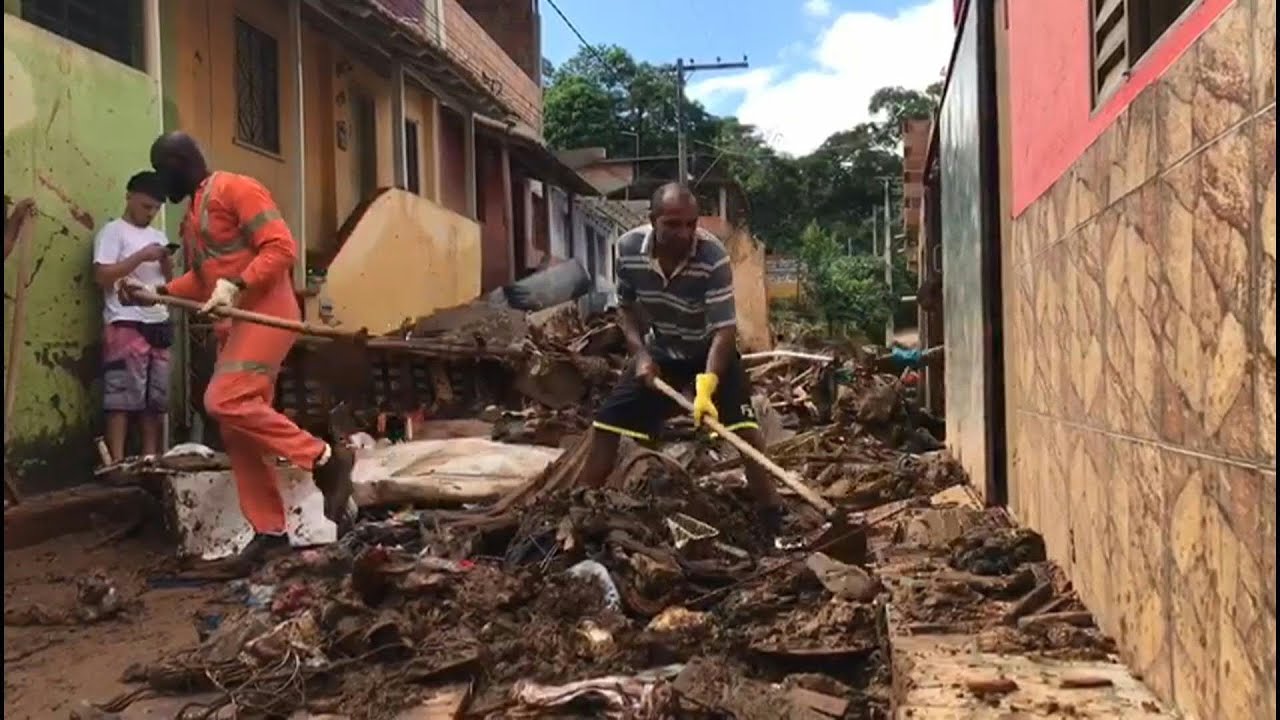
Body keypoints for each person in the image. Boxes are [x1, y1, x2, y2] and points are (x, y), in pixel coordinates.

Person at [118, 132, 354, 566]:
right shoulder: (193, 215)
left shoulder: (236, 188)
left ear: (177, 162)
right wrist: (156, 291)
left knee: (222, 400)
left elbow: (281, 247)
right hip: (237, 323)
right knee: (238, 430)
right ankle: (270, 531)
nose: (160, 184)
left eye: (161, 170)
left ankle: (324, 457)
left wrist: (239, 284)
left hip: (268, 314)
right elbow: (205, 280)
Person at [577, 183, 784, 528]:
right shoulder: (628, 249)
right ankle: (578, 506)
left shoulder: (712, 256)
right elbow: (626, 309)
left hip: (710, 352)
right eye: (673, 224)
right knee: (607, 423)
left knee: (745, 431)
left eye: (691, 224)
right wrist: (640, 353)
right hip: (663, 352)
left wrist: (707, 385)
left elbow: (723, 330)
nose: (684, 233)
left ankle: (774, 517)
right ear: (652, 220)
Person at [93, 172, 173, 461]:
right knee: (122, 400)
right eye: (146, 206)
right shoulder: (113, 232)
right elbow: (102, 276)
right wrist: (140, 257)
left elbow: (170, 282)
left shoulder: (158, 236)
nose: (151, 213)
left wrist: (166, 262)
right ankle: (116, 461)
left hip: (158, 321)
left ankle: (149, 459)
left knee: (155, 400)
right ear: (129, 197)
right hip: (125, 321)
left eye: (156, 208)